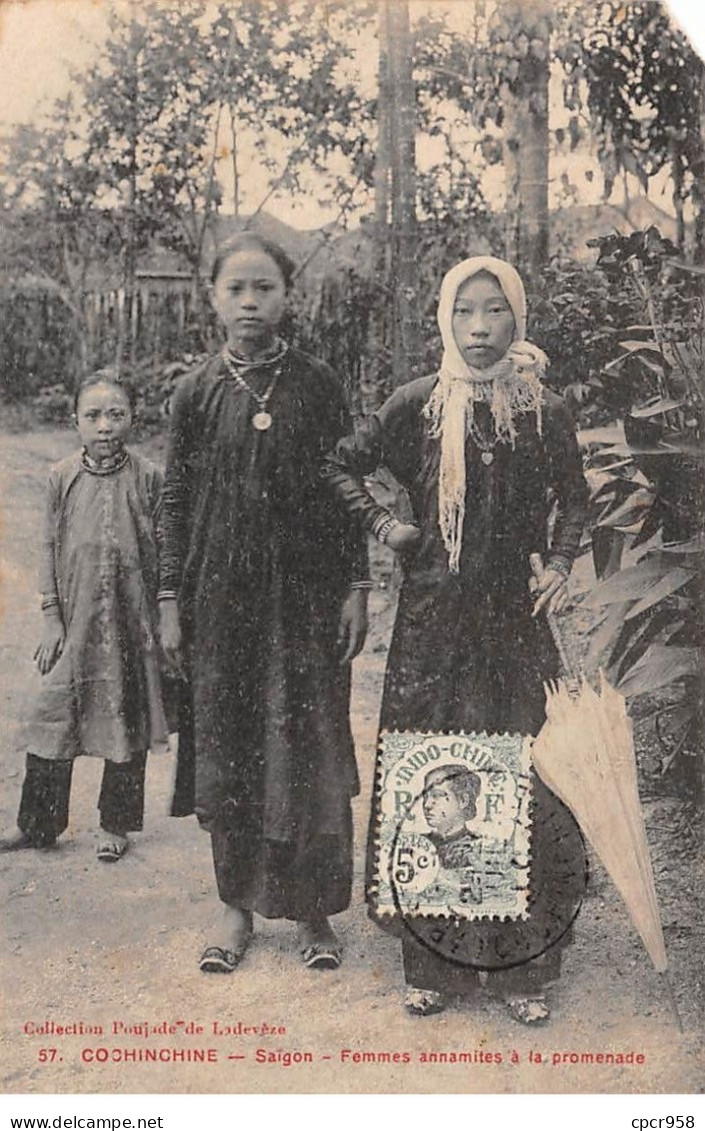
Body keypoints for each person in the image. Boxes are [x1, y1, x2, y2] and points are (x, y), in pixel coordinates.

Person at [322, 255, 589, 1022]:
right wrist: (386, 525)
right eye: (465, 311)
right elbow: (339, 465)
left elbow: (573, 498)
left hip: (513, 624)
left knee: (525, 778)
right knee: (433, 777)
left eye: (496, 310)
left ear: (517, 317)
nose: (479, 327)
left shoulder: (542, 407)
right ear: (445, 317)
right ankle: (431, 959)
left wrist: (562, 559)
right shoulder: (416, 404)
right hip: (434, 628)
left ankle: (520, 970)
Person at [158, 230, 369, 974]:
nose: (250, 302)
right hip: (218, 601)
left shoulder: (317, 384)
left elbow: (347, 493)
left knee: (306, 743)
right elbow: (174, 501)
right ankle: (234, 907)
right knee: (230, 744)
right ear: (211, 298)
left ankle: (314, 912)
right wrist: (167, 600)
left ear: (288, 295)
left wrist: (356, 585)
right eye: (235, 289)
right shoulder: (191, 392)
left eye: (265, 288)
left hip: (306, 600)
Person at [0, 372, 169, 863]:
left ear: (134, 418)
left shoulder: (149, 477)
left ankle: (116, 823)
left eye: (116, 414)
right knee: (52, 714)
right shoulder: (61, 476)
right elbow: (49, 545)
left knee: (124, 714)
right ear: (74, 420)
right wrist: (52, 615)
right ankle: (38, 824)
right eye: (92, 416)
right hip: (73, 620)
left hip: (130, 621)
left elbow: (166, 548)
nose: (104, 426)